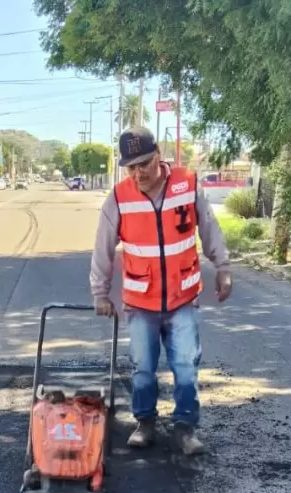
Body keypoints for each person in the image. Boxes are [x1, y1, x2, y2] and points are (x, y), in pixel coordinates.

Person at [91, 127, 232, 455]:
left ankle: (185, 429)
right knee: (142, 366)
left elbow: (210, 229)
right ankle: (146, 423)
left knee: (186, 365)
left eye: (144, 164)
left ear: (158, 157)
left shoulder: (187, 185)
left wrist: (222, 268)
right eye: (131, 167)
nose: (138, 173)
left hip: (182, 299)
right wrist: (100, 293)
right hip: (141, 303)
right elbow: (102, 249)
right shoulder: (119, 197)